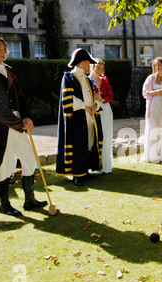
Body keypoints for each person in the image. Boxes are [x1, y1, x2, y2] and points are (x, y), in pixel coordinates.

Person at [0, 34, 47, 216]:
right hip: (2, 126)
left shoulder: (9, 70)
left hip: (17, 124)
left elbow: (20, 96)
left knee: (30, 159)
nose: (3, 52)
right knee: (5, 166)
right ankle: (4, 204)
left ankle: (29, 200)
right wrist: (17, 123)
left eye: (4, 49)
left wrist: (27, 117)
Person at [56, 48, 103, 186]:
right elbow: (68, 99)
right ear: (81, 62)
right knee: (78, 145)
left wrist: (95, 106)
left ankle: (85, 171)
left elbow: (92, 96)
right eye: (88, 62)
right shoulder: (68, 77)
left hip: (89, 116)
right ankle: (77, 174)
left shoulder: (88, 80)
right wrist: (84, 107)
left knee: (88, 143)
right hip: (77, 118)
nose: (89, 65)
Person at [142, 57, 162, 163]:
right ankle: (152, 154)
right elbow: (145, 93)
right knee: (153, 127)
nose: (157, 67)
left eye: (159, 65)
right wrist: (158, 92)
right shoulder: (150, 78)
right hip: (154, 106)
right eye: (155, 65)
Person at [89, 58, 114, 174]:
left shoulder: (105, 80)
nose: (100, 70)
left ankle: (105, 164)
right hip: (93, 112)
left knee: (106, 137)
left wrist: (103, 99)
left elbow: (110, 97)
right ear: (92, 67)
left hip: (106, 111)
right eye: (98, 67)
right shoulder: (87, 80)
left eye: (102, 68)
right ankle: (95, 165)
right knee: (95, 138)